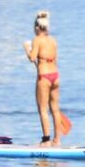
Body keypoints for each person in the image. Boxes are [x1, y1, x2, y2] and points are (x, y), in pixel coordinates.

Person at [23, 11, 63, 144]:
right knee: (55, 109)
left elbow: (32, 58)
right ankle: (57, 140)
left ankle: (46, 140)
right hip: (55, 76)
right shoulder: (53, 41)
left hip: (44, 77)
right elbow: (55, 60)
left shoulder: (37, 40)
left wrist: (27, 49)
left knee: (43, 109)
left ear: (37, 28)